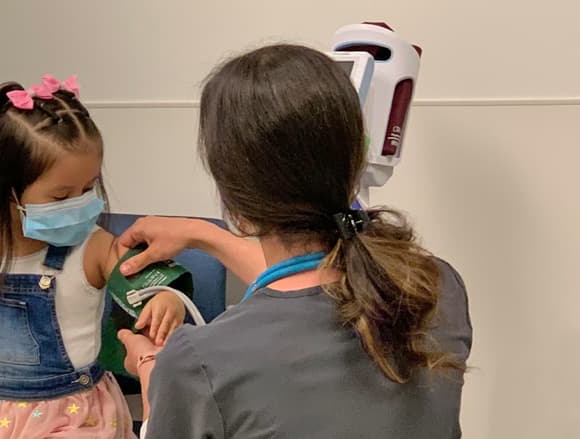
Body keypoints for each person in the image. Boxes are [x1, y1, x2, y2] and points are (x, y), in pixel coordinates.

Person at [116, 45, 473, 438]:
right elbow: (308, 300)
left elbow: (293, 311)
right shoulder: (434, 286)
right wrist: (205, 235)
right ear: (356, 162)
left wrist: (153, 373)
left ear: (234, 203)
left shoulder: (198, 363)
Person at [0, 74, 186, 438]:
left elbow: (145, 280)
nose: (81, 204)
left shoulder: (93, 246)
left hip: (72, 414)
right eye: (61, 197)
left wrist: (167, 298)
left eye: (88, 187)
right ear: (9, 188)